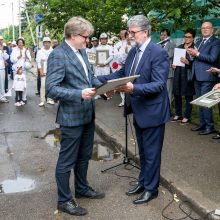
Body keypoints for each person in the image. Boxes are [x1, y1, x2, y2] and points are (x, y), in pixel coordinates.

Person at [98, 15, 170, 205]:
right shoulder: (133, 52)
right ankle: (143, 181)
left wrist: (134, 89)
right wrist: (99, 82)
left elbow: (159, 85)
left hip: (153, 112)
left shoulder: (158, 52)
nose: (129, 35)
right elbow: (122, 74)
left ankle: (151, 189)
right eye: (129, 32)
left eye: (133, 32)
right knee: (144, 152)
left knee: (152, 153)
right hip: (138, 110)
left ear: (145, 32)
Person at [46, 16, 104, 216]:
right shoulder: (58, 54)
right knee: (66, 161)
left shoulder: (82, 51)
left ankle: (82, 188)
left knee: (84, 156)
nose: (88, 41)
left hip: (88, 114)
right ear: (73, 35)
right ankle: (64, 200)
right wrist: (78, 94)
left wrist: (104, 89)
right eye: (85, 37)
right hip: (71, 117)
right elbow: (51, 89)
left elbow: (90, 77)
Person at [187, 21, 220, 135]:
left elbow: (212, 58)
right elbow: (195, 57)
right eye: (203, 28)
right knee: (200, 102)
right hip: (196, 75)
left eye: (207, 28)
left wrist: (197, 54)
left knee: (206, 102)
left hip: (207, 75)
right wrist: (191, 55)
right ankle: (202, 124)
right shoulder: (198, 41)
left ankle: (209, 126)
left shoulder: (215, 42)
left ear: (212, 29)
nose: (205, 30)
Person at [171, 29, 196, 124]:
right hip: (178, 73)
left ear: (193, 38)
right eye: (185, 36)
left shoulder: (195, 48)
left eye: (189, 37)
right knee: (177, 94)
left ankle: (187, 116)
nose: (187, 38)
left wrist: (188, 62)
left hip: (188, 74)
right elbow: (174, 60)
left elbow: (197, 63)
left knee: (188, 96)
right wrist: (173, 65)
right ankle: (178, 114)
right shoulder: (179, 47)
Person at [11, 38, 31, 103]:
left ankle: (24, 97)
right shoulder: (14, 50)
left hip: (23, 70)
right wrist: (18, 57)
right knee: (17, 85)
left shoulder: (26, 50)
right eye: (19, 42)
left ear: (23, 43)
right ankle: (18, 98)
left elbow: (29, 60)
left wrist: (25, 55)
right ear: (17, 43)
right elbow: (12, 60)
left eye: (21, 42)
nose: (20, 44)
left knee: (23, 84)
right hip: (16, 70)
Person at [158, 29, 175, 105]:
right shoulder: (158, 45)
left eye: (165, 35)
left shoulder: (171, 44)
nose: (163, 36)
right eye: (161, 35)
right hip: (158, 73)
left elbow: (169, 56)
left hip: (168, 72)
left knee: (168, 91)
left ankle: (168, 111)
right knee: (160, 92)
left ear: (168, 36)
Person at [36, 37, 54, 106]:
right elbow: (38, 61)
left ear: (50, 43)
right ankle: (42, 100)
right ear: (43, 43)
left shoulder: (52, 51)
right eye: (45, 42)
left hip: (51, 69)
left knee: (50, 85)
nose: (46, 44)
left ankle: (50, 99)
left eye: (48, 42)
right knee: (43, 85)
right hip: (43, 69)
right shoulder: (40, 51)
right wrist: (40, 70)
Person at [0, 36, 9, 103]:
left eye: (1, 40)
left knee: (2, 83)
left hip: (2, 68)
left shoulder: (4, 48)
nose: (0, 41)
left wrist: (2, 51)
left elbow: (6, 57)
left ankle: (2, 97)